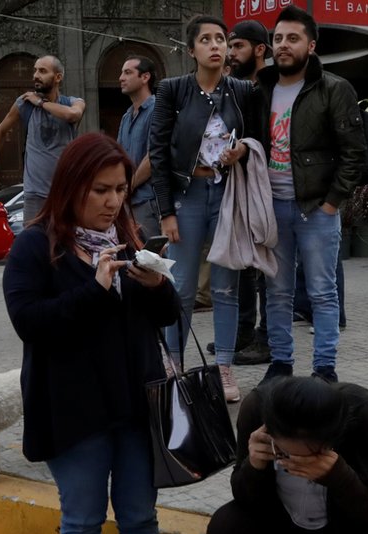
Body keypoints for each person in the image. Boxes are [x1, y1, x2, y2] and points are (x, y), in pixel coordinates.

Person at [3, 133, 180, 534]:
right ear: (71, 185)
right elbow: (29, 323)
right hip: (74, 414)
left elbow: (168, 317)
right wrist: (94, 289)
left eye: (120, 189)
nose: (113, 201)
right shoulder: (34, 245)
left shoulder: (127, 238)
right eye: (100, 190)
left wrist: (157, 286)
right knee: (83, 521)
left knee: (140, 518)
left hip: (136, 409)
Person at [149, 15, 259, 402]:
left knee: (227, 287)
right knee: (180, 288)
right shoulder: (173, 90)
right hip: (188, 194)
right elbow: (158, 152)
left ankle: (225, 369)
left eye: (221, 39)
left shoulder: (243, 90)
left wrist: (244, 148)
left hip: (227, 195)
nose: (216, 46)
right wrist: (166, 212)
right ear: (192, 49)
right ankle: (173, 364)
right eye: (206, 40)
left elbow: (256, 135)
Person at [256, 5, 365, 384]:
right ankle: (281, 363)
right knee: (277, 292)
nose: (283, 45)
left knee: (322, 292)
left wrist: (332, 201)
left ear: (311, 45)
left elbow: (355, 153)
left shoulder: (334, 88)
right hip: (271, 208)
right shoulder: (262, 87)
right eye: (278, 38)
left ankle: (324, 368)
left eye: (292, 38)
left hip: (316, 208)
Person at [206, 376, 368, 534]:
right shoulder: (256, 410)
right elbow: (243, 497)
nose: (297, 465)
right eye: (283, 453)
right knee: (226, 525)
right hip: (280, 520)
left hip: (346, 526)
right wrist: (254, 465)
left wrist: (338, 475)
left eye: (310, 457)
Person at [0, 55, 86, 221]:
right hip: (34, 195)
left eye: (42, 71)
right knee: (33, 244)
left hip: (66, 193)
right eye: (35, 70)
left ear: (58, 77)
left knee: (64, 244)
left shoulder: (73, 102)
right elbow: (1, 130)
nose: (36, 75)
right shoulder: (24, 104)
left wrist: (40, 103)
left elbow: (74, 114)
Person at [226, 20, 273, 366]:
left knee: (268, 267)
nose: (230, 53)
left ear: (259, 49)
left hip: (270, 187)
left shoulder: (273, 89)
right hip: (239, 185)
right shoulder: (237, 89)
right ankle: (242, 332)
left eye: (237, 46)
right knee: (242, 263)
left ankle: (266, 337)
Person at [117, 55, 161, 239]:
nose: (121, 78)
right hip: (128, 203)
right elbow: (119, 156)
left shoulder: (158, 109)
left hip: (149, 201)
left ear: (145, 77)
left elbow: (154, 156)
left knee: (157, 261)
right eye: (121, 73)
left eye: (128, 72)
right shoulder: (126, 117)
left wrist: (129, 186)